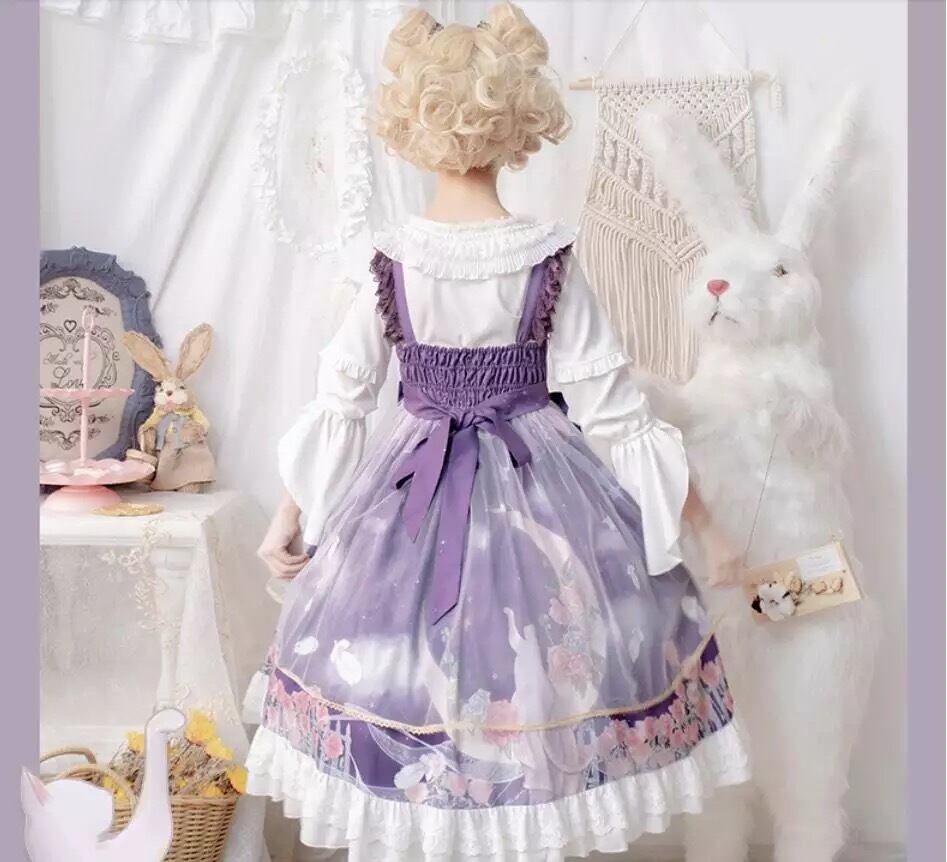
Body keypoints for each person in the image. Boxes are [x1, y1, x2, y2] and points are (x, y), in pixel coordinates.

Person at [248, 5, 748, 859]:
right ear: (519, 122)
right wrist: (708, 529)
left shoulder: (392, 259)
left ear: (409, 125)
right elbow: (616, 416)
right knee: (538, 672)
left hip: (410, 493)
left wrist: (285, 518)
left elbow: (343, 399)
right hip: (543, 492)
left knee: (421, 674)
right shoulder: (541, 256)